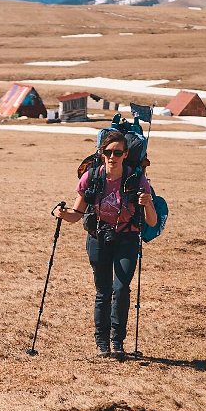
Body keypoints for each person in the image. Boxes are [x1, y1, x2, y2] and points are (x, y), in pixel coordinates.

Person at [53, 130, 158, 360]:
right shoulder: (92, 178)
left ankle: (117, 341)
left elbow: (151, 221)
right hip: (98, 238)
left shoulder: (135, 179)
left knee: (121, 289)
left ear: (125, 153)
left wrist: (147, 203)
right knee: (104, 291)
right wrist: (61, 213)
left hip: (127, 238)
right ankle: (102, 343)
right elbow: (77, 214)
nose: (113, 157)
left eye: (117, 152)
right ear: (102, 154)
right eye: (108, 152)